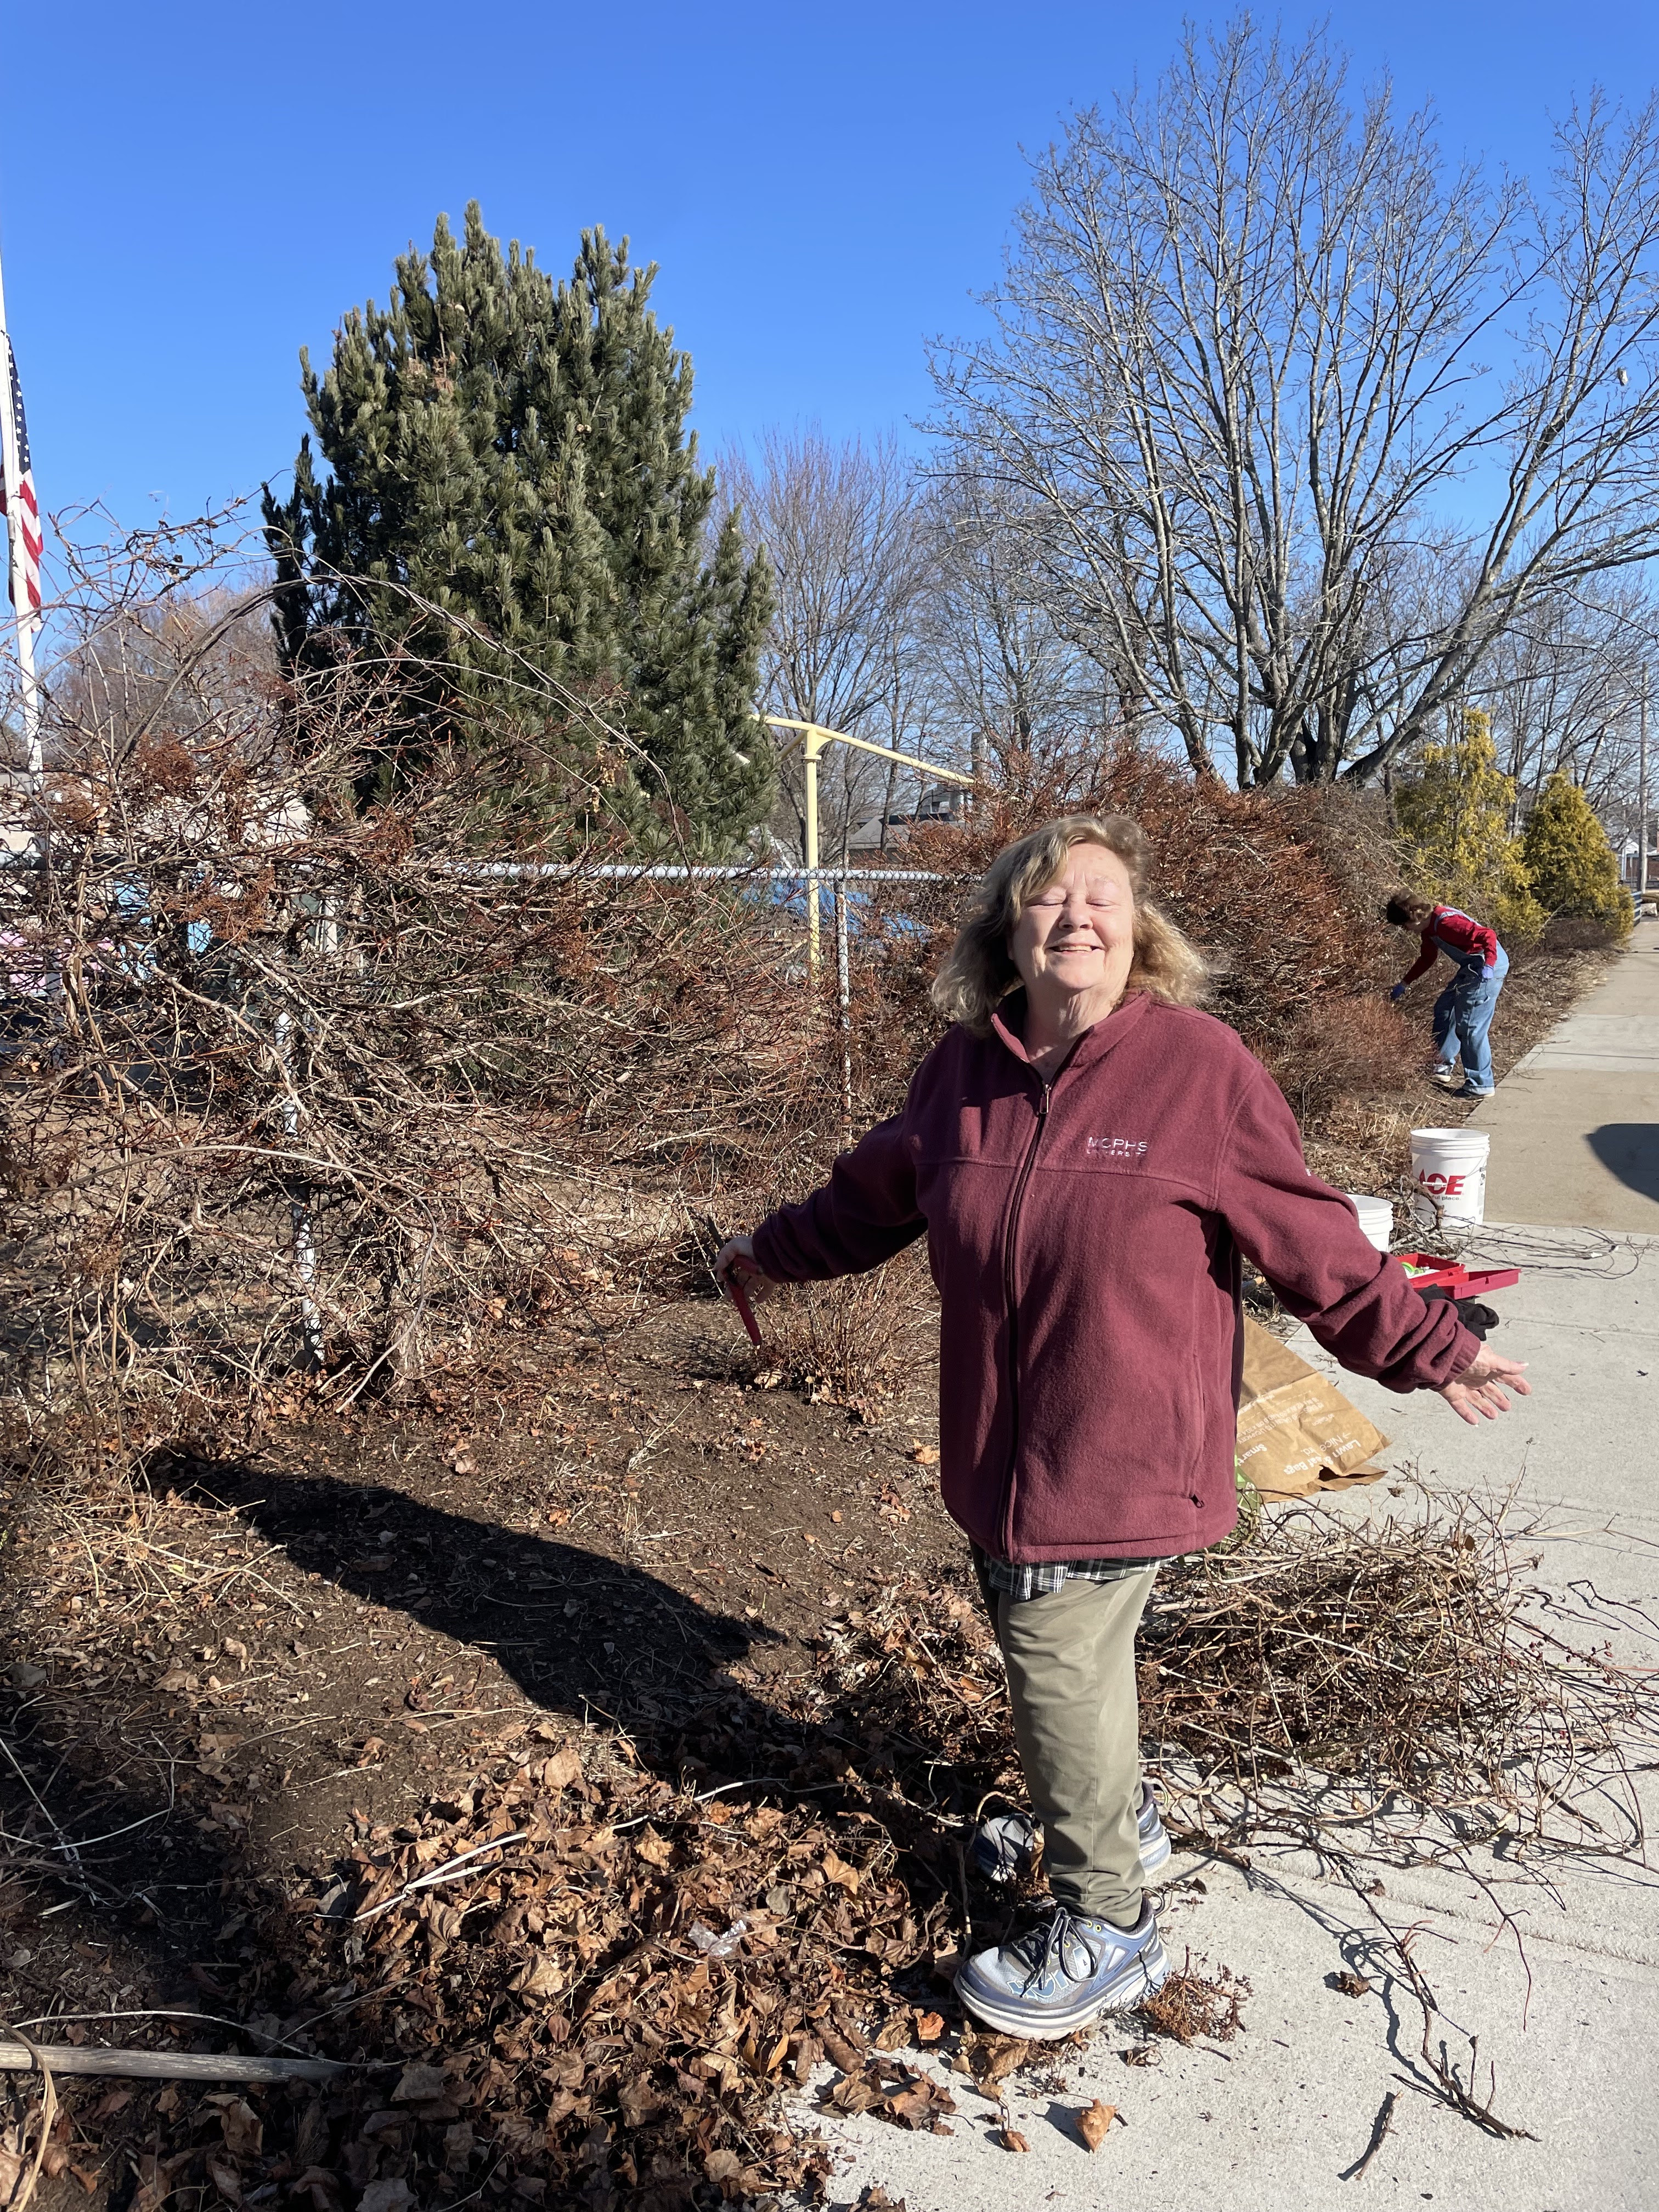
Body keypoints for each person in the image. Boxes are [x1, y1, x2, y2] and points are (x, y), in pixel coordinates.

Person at [716, 816, 1529, 2041]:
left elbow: (1311, 1239)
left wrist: (1425, 1345)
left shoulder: (1198, 1069)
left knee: (1052, 1668)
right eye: (1049, 899)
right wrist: (771, 1258)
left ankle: (1110, 1924)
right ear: (1009, 930)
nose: (1077, 916)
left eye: (1103, 898)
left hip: (1122, 1452)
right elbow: (876, 1193)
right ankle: (1120, 1814)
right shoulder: (963, 1074)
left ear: (1139, 931)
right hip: (1000, 1452)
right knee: (1061, 1655)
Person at [1385, 891, 1509, 1099]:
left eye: (1404, 925)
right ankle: (1441, 1065)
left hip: (1487, 968)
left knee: (1470, 1025)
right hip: (1471, 967)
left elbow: (1488, 935)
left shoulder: (1447, 924)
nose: (1405, 930)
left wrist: (1488, 966)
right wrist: (1405, 983)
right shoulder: (1429, 929)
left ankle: (1481, 1084)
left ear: (1414, 917)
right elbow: (1427, 958)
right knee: (1446, 1007)